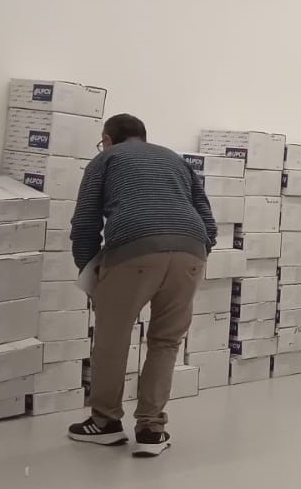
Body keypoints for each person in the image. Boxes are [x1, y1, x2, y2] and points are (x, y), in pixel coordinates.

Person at [67, 113, 217, 458]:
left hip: (134, 250)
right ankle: (152, 429)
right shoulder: (175, 160)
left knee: (112, 340)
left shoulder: (106, 159)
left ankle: (105, 423)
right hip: (190, 250)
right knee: (166, 341)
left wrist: (89, 270)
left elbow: (86, 221)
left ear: (108, 139)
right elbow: (207, 219)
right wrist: (195, 253)